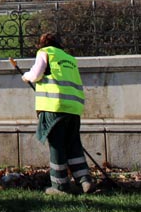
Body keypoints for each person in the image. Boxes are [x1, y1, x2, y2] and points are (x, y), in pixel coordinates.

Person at [21, 32, 95, 195]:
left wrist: (26, 77)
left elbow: (36, 74)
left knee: (57, 146)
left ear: (43, 44)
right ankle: (84, 180)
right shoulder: (70, 59)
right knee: (73, 144)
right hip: (74, 108)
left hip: (54, 107)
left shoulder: (45, 53)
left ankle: (60, 185)